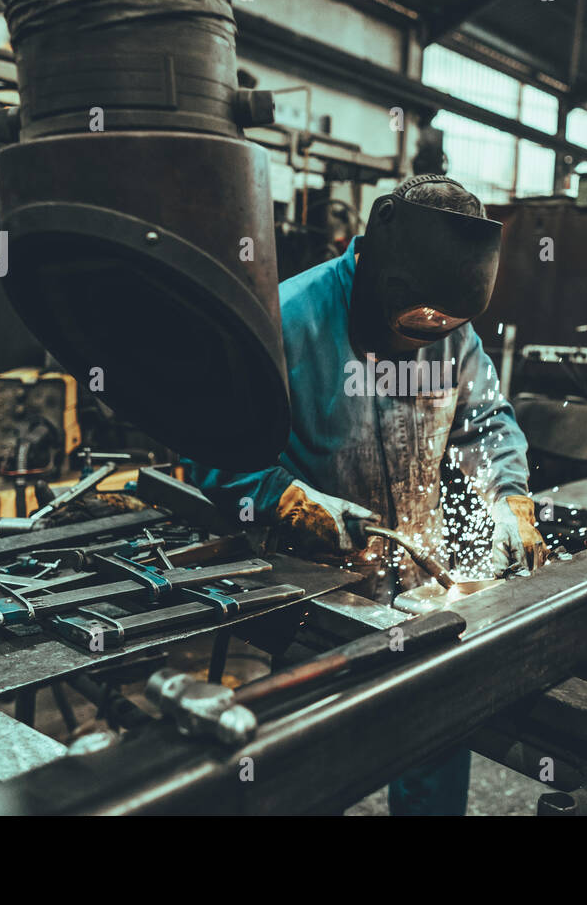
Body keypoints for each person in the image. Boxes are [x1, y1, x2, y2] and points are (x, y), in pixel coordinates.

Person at [184, 174, 547, 814]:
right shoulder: (289, 318)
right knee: (308, 770)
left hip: (426, 596)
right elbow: (213, 455)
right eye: (418, 322)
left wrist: (507, 498)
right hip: (316, 599)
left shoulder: (454, 332)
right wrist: (293, 503)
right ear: (379, 271)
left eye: (447, 324)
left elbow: (486, 424)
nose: (432, 334)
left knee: (435, 739)